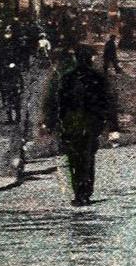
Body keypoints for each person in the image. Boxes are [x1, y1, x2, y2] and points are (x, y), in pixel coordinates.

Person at [40, 44, 119, 206]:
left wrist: (50, 122)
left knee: (74, 158)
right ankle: (85, 190)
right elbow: (108, 102)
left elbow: (58, 102)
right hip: (90, 124)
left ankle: (79, 191)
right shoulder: (97, 77)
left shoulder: (68, 78)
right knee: (87, 157)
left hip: (72, 124)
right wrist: (112, 125)